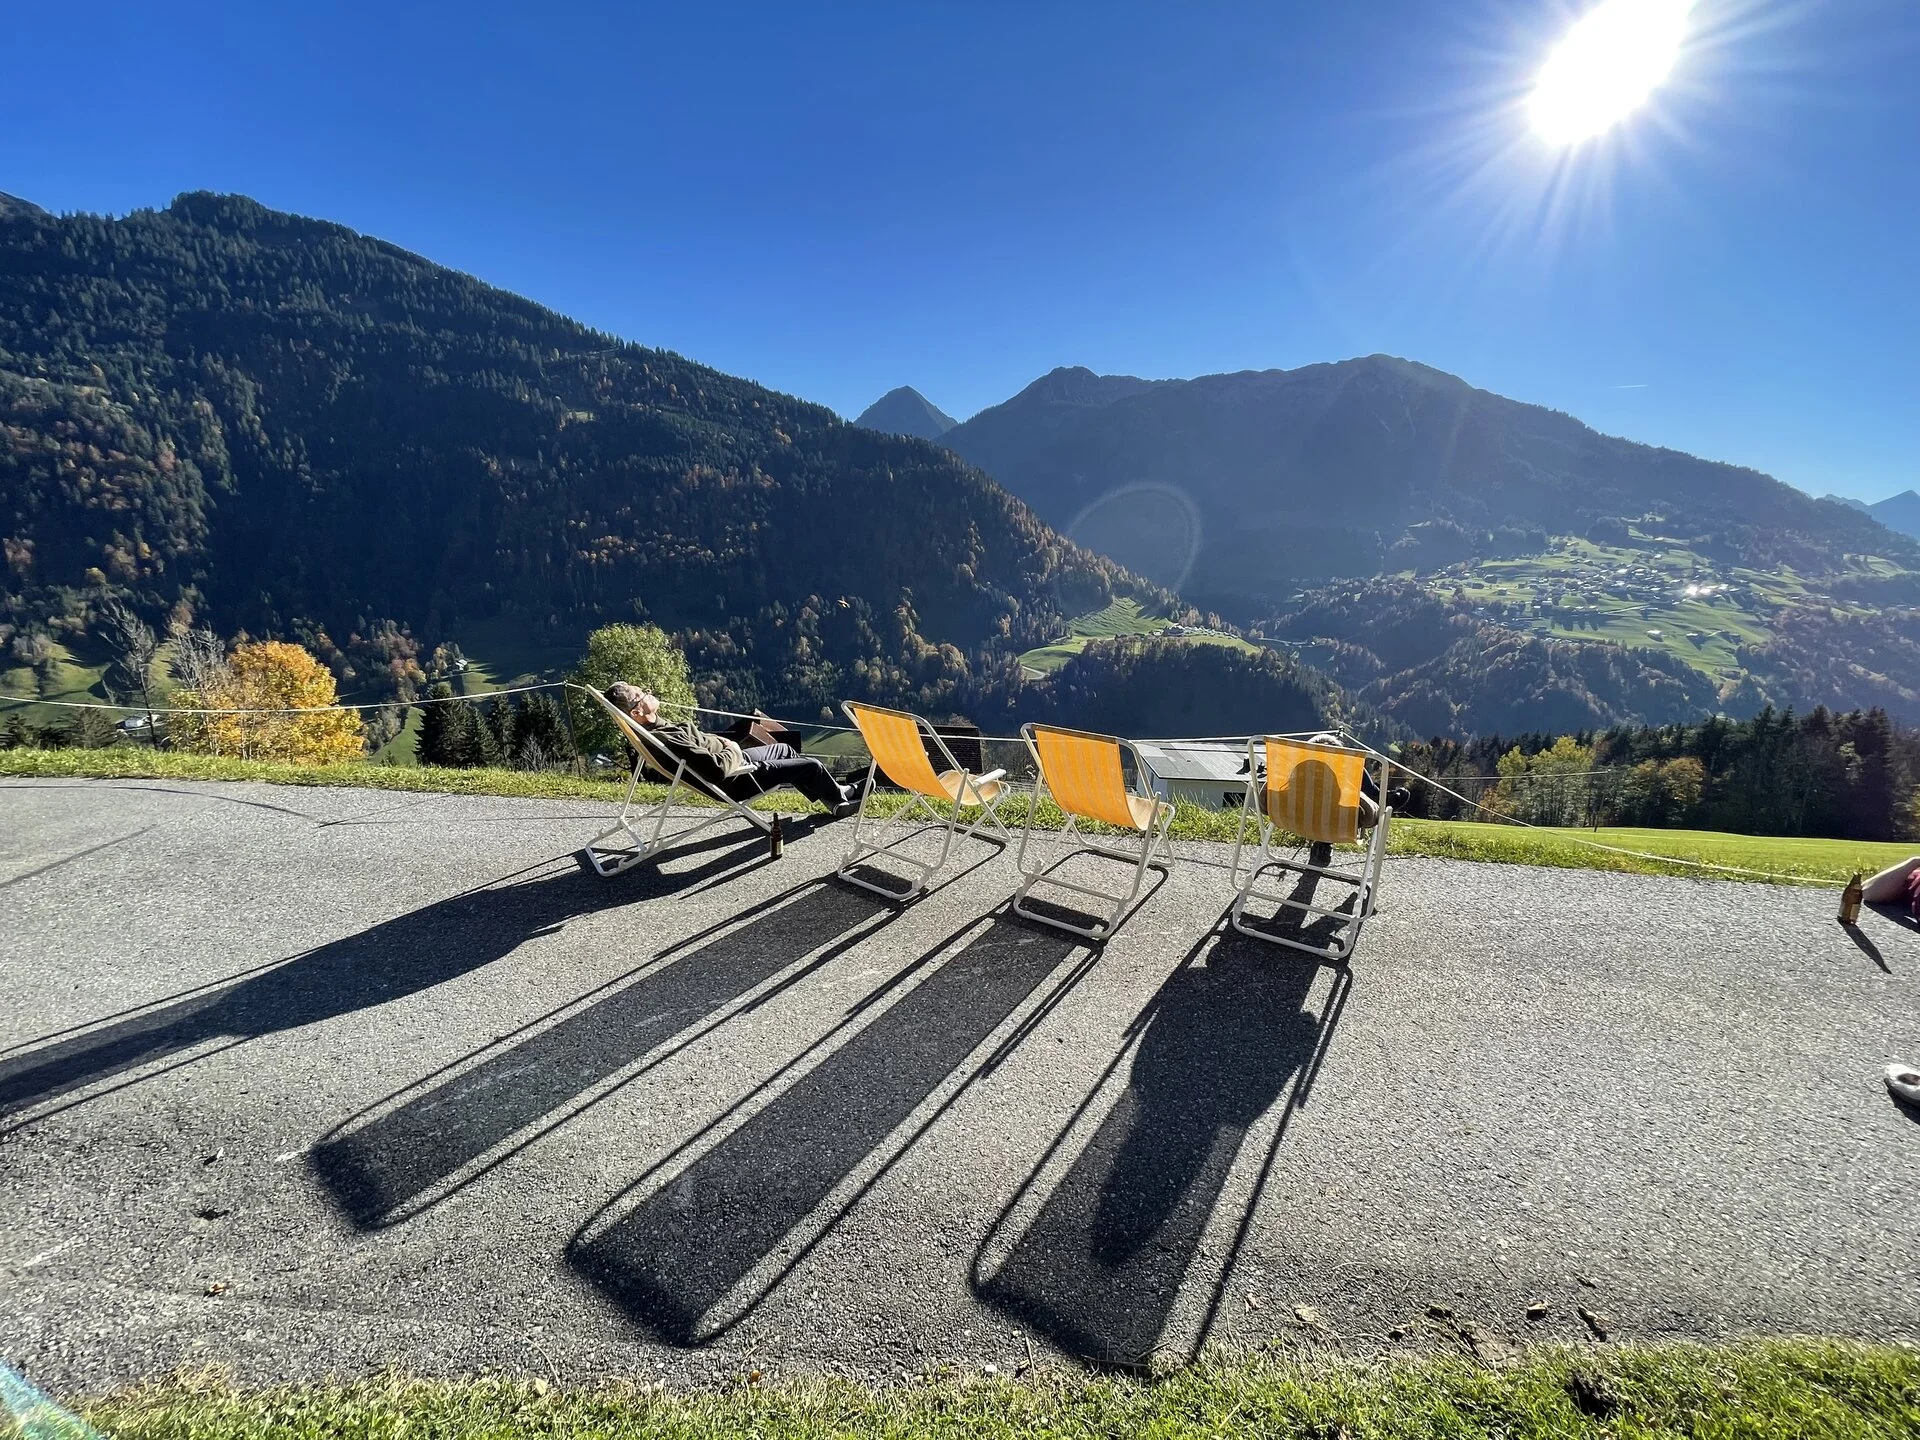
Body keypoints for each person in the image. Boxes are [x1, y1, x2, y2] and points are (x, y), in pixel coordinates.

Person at [604, 682, 859, 818]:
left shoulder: (656, 728)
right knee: (811, 766)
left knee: (783, 748)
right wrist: (734, 747)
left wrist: (725, 745)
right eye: (642, 694)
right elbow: (716, 772)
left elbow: (703, 749)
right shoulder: (667, 739)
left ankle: (833, 797)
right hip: (737, 779)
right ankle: (840, 796)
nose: (648, 693)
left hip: (736, 762)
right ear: (637, 712)